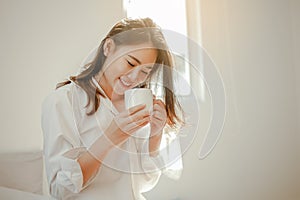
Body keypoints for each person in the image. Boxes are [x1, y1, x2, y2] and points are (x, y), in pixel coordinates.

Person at [41, 17, 184, 200]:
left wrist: (155, 135)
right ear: (108, 47)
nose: (134, 78)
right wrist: (110, 138)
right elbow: (60, 189)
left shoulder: (136, 104)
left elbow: (142, 185)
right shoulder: (62, 102)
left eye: (145, 72)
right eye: (131, 63)